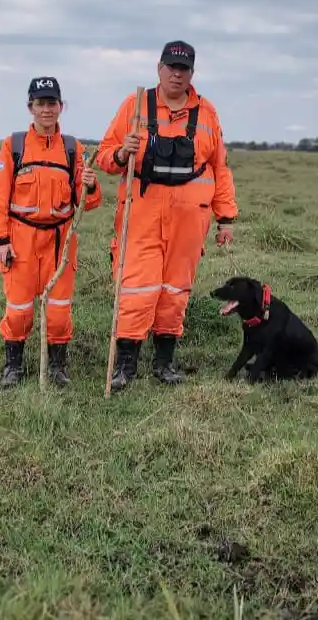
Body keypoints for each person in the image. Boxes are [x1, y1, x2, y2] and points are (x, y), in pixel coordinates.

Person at [95, 40, 238, 391]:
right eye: (171, 67)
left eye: (184, 69)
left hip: (190, 220)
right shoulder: (135, 105)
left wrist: (225, 218)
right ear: (159, 69)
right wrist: (121, 154)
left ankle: (164, 363)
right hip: (141, 214)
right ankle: (125, 365)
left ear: (192, 73)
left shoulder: (207, 112)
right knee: (136, 288)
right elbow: (104, 157)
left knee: (175, 291)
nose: (177, 74)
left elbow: (219, 167)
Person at [0, 76, 102, 387]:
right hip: (20, 240)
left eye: (52, 103)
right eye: (40, 104)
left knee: (59, 312)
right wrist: (0, 239)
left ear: (61, 107)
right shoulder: (14, 146)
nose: (46, 109)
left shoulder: (73, 149)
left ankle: (57, 368)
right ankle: (13, 367)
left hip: (60, 242)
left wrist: (90, 184)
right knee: (19, 310)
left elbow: (88, 203)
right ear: (30, 108)